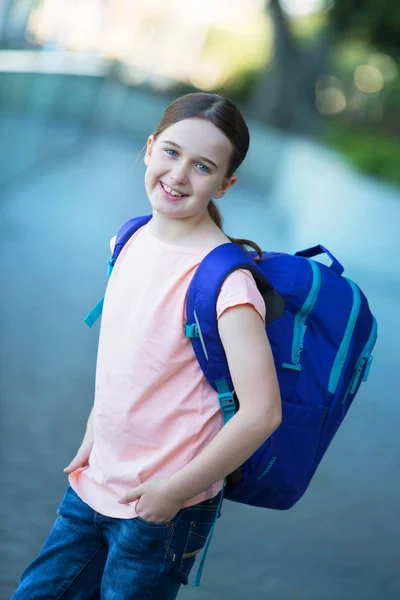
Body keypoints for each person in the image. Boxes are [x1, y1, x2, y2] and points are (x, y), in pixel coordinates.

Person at [12, 92, 282, 599]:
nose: (179, 175)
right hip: (94, 484)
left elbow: (262, 412)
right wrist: (95, 434)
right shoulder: (128, 239)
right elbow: (127, 362)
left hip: (162, 510)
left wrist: (174, 492)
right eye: (172, 153)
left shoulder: (226, 283)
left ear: (225, 184)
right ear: (150, 147)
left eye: (202, 167)